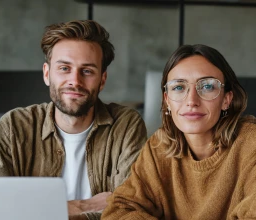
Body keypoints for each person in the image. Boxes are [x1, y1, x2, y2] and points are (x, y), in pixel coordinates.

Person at [0, 20, 147, 220]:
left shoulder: (125, 124)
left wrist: (31, 211)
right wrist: (82, 206)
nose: (75, 81)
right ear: (47, 74)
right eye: (64, 68)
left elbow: (132, 207)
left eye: (87, 71)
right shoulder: (14, 126)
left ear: (102, 80)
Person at [102, 44, 256, 219]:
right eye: (179, 87)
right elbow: (119, 210)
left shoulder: (251, 143)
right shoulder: (159, 146)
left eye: (207, 86)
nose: (191, 101)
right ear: (167, 100)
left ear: (226, 100)